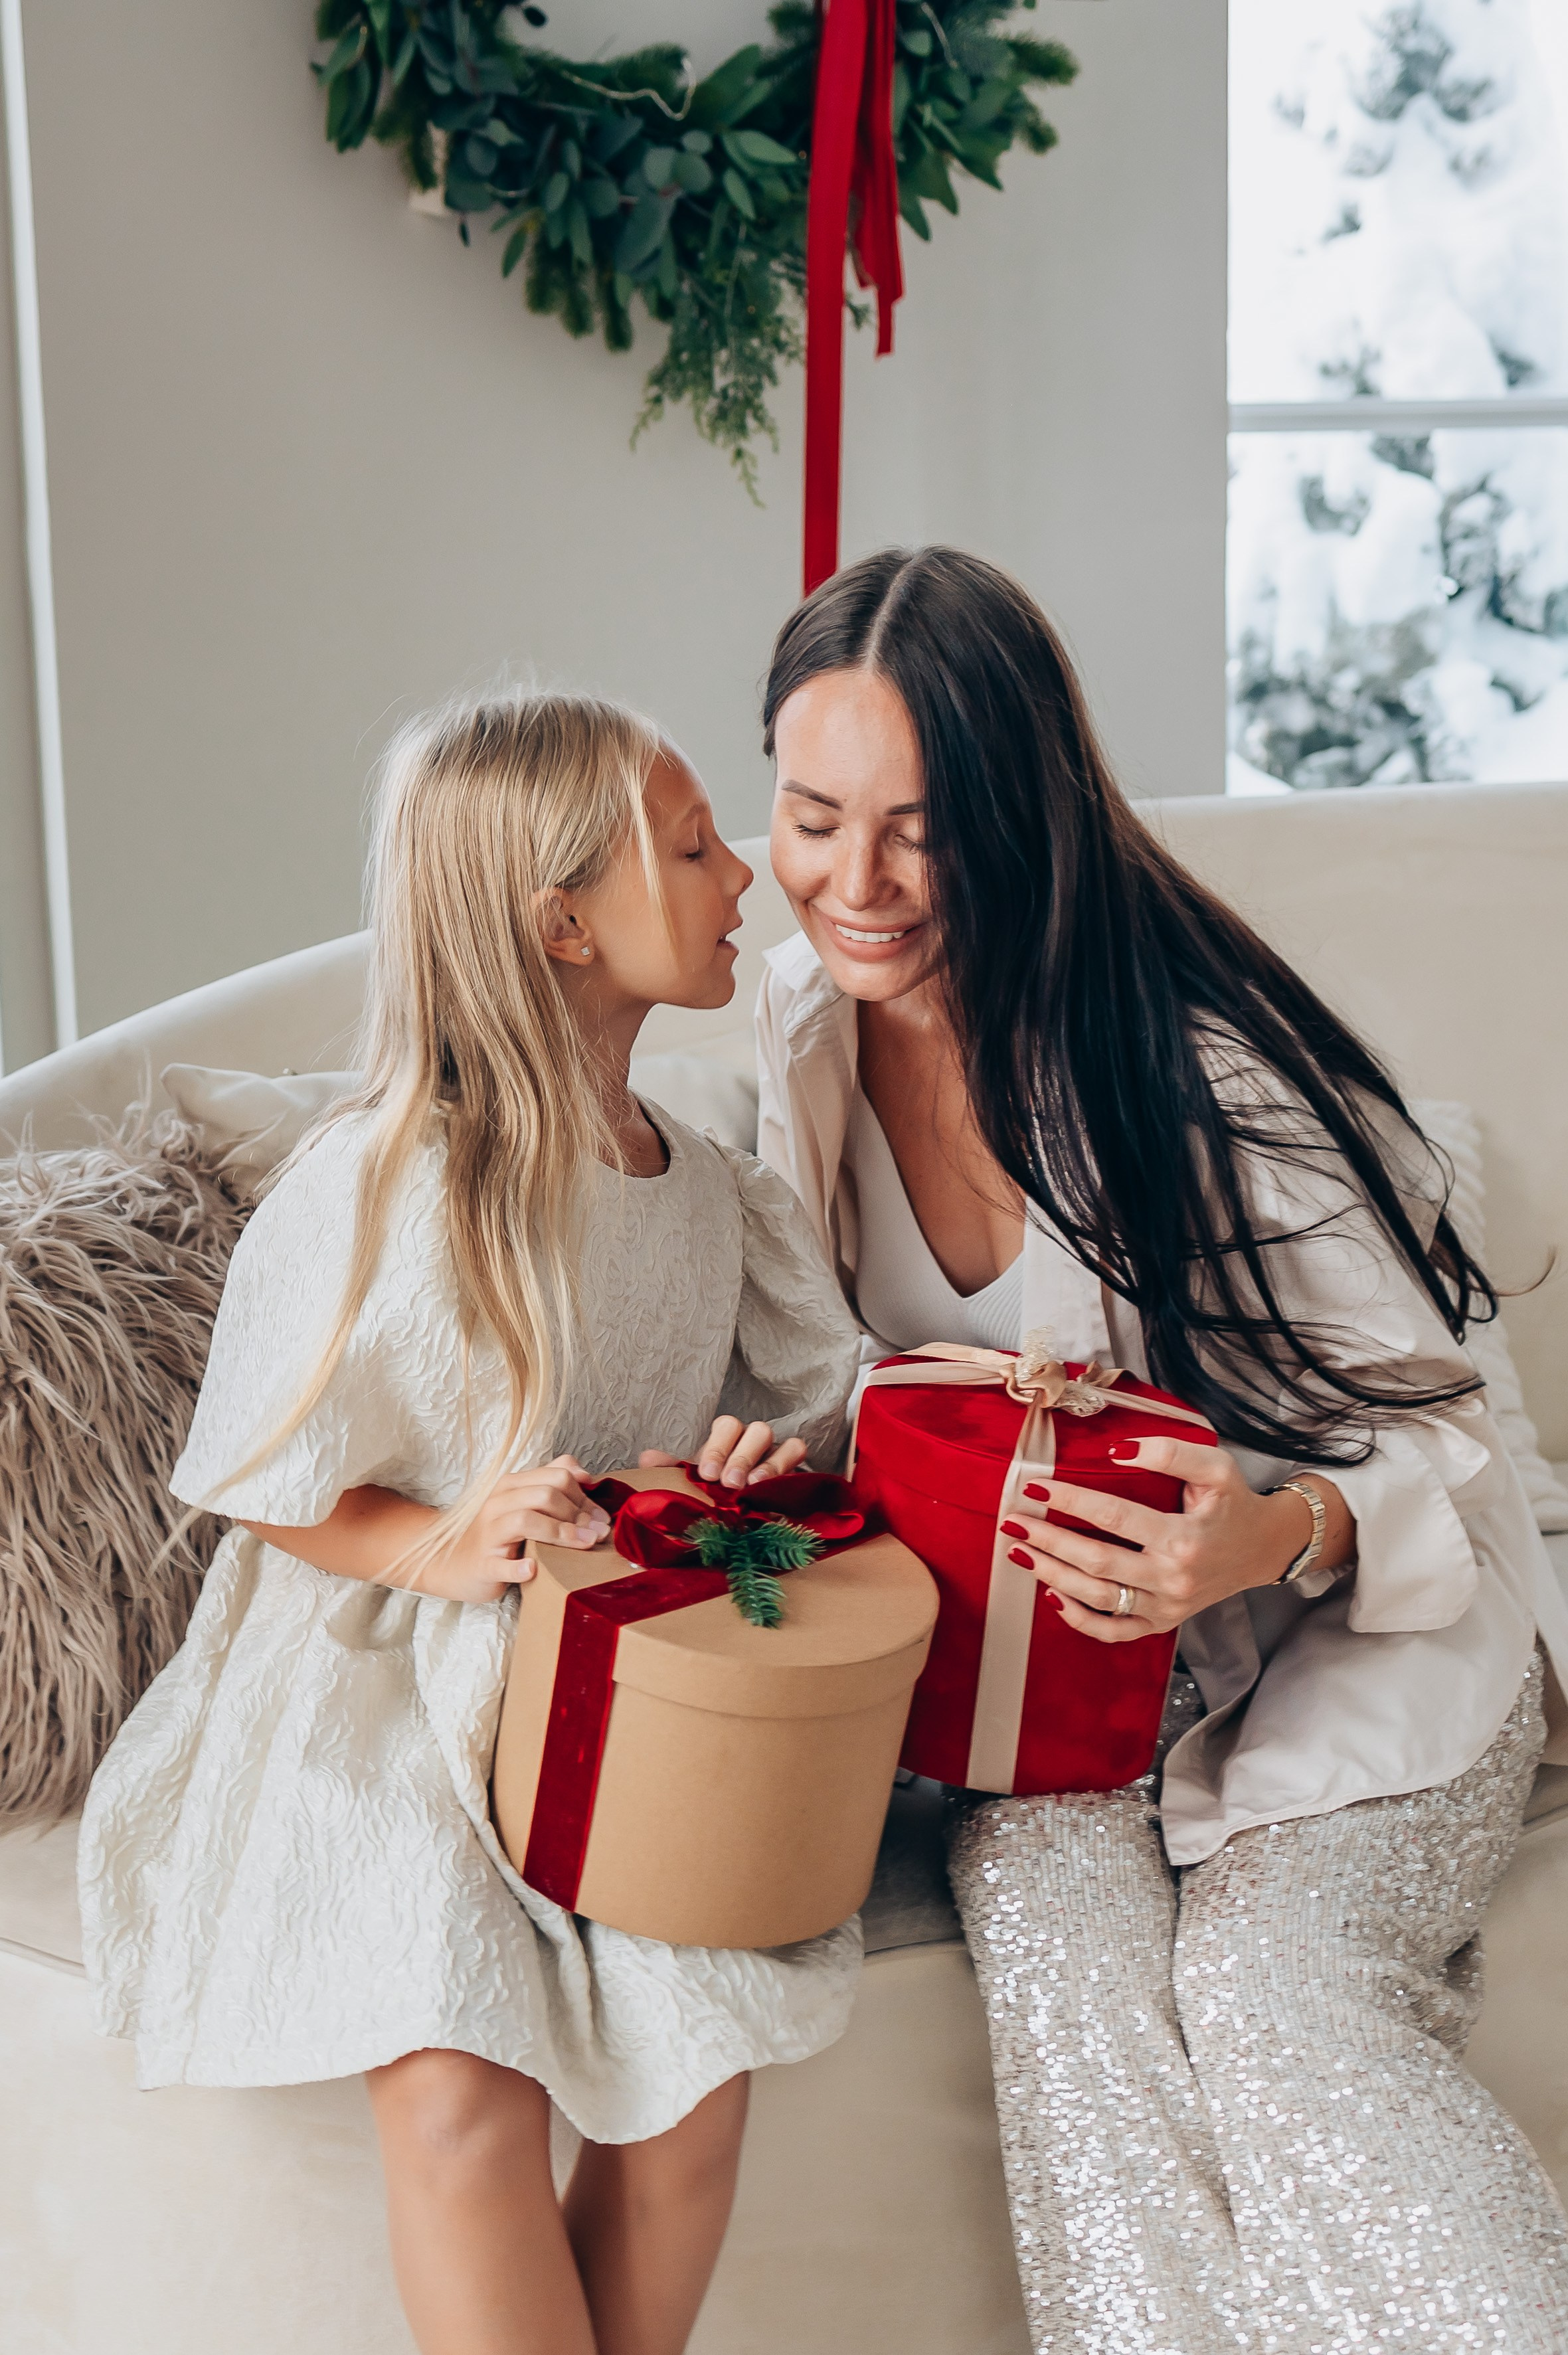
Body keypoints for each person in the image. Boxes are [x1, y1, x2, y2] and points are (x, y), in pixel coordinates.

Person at [754, 545, 1568, 2351]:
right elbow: (838, 1379)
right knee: (1060, 1970)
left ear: (1017, 817)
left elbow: (1446, 1445)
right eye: (810, 819)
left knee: (1278, 2008)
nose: (853, 886)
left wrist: (1261, 1537)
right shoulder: (798, 1042)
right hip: (1064, 1693)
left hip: (1369, 1617)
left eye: (919, 830)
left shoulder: (1198, 1079)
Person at [78, 691, 862, 2355]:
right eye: (695, 845)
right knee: (456, 2087)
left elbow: (808, 1418)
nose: (746, 881)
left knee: (691, 2080)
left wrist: (753, 1471)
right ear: (559, 924)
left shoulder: (714, 1189)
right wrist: (435, 1547)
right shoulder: (388, 1181)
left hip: (619, 1677)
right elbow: (263, 1482)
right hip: (378, 1681)